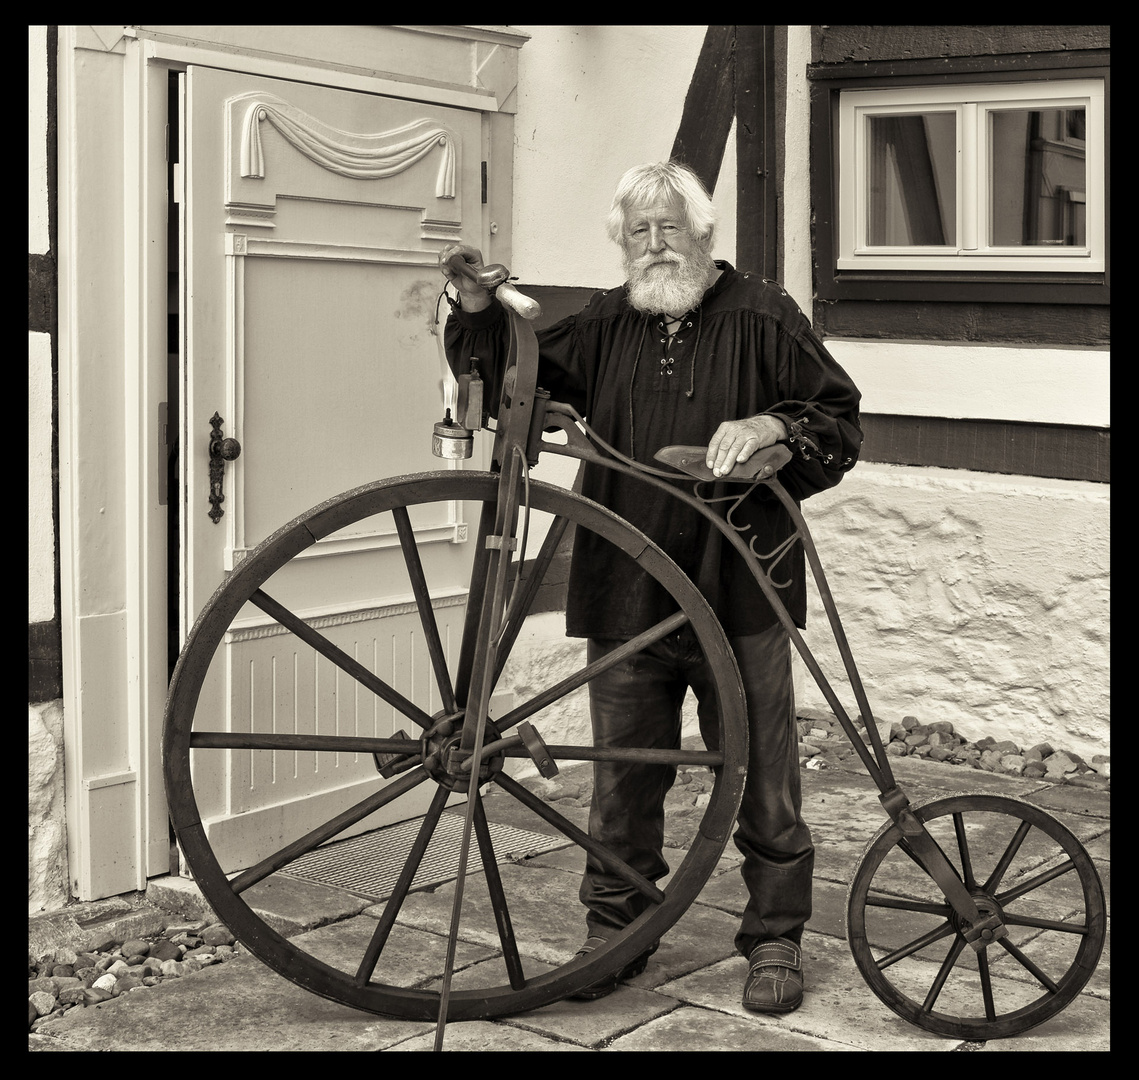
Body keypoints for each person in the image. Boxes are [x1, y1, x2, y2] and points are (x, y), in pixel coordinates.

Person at [440, 161, 862, 1014]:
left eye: (670, 226)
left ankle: (775, 936)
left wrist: (772, 424)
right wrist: (478, 313)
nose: (654, 244)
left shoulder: (763, 316)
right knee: (624, 773)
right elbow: (512, 381)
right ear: (621, 244)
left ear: (704, 235)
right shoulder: (606, 321)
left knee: (763, 774)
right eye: (638, 230)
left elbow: (839, 419)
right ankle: (617, 933)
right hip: (629, 582)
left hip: (738, 579)